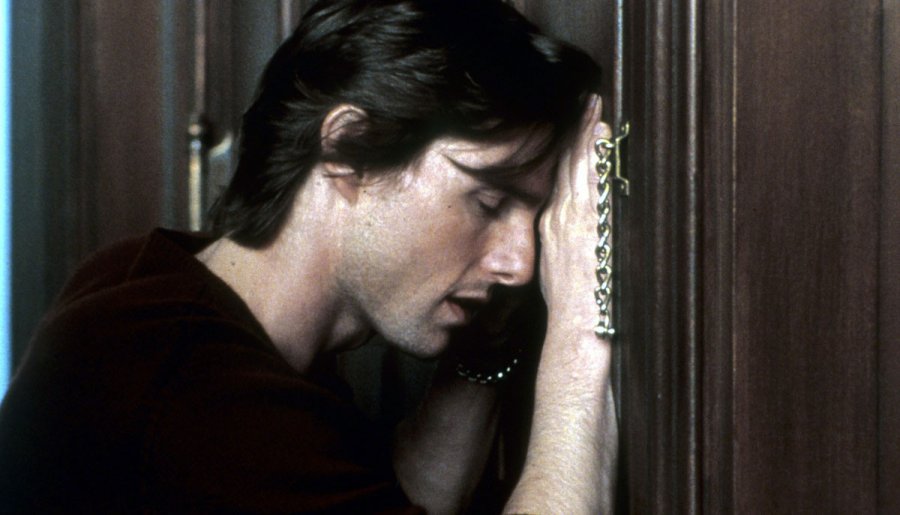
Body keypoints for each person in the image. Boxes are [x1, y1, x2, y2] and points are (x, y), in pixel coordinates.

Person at [0, 0, 618, 512]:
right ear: (349, 148)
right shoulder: (190, 392)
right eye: (489, 201)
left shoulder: (151, 282)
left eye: (532, 220)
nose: (521, 264)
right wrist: (578, 332)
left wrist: (487, 341)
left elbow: (396, 498)